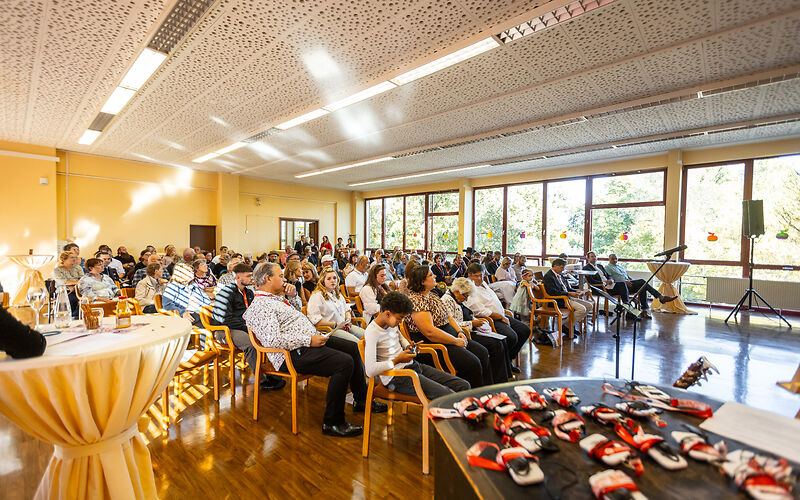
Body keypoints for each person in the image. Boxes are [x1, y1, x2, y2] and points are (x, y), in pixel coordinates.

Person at [244, 262, 387, 438]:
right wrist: (308, 340)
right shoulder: (260, 306)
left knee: (351, 347)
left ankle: (362, 400)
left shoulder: (275, 298)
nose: (284, 279)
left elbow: (297, 315)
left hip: (306, 343)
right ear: (267, 279)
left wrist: (294, 296)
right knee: (343, 363)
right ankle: (332, 422)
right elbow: (273, 340)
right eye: (280, 276)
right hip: (291, 355)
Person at [365, 292, 470, 399]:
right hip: (396, 377)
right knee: (448, 396)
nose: (400, 322)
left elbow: (401, 338)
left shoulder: (390, 323)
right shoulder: (372, 332)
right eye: (399, 318)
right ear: (387, 314)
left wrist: (409, 346)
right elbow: (370, 370)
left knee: (463, 385)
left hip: (411, 366)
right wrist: (397, 360)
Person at [403, 264, 492, 388]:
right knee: (472, 363)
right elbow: (430, 332)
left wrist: (459, 331)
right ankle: (469, 398)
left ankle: (486, 392)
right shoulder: (417, 300)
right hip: (435, 343)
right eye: (430, 275)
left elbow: (448, 316)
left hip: (449, 335)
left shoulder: (432, 294)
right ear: (422, 281)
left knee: (482, 352)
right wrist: (455, 341)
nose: (434, 276)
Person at [212, 263, 285, 391]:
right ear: (238, 278)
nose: (252, 278)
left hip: (243, 326)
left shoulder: (249, 292)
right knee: (251, 344)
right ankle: (261, 380)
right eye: (249, 276)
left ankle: (275, 374)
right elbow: (224, 319)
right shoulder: (226, 293)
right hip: (225, 329)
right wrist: (248, 326)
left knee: (271, 336)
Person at [442, 278, 511, 382]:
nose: (466, 299)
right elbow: (451, 324)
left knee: (501, 340)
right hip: (464, 333)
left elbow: (468, 314)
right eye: (465, 296)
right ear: (457, 291)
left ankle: (501, 378)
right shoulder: (446, 301)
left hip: (472, 329)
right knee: (494, 344)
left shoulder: (459, 298)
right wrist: (472, 323)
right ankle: (493, 381)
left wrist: (477, 321)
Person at [464, 264, 529, 371]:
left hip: (501, 315)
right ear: (469, 275)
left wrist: (503, 314)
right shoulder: (470, 289)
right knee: (511, 337)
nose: (479, 278)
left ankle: (508, 359)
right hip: (491, 319)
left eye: (481, 275)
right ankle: (505, 364)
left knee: (525, 330)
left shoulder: (483, 283)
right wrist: (500, 316)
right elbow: (480, 311)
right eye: (476, 276)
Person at [604, 253, 677, 318]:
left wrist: (633, 281)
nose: (615, 260)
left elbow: (627, 277)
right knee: (642, 281)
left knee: (642, 286)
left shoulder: (620, 267)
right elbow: (610, 280)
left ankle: (644, 311)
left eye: (616, 258)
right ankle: (661, 297)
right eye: (613, 259)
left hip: (628, 284)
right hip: (619, 286)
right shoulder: (608, 267)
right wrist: (624, 281)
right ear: (609, 259)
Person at [307, 268, 366, 342]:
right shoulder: (317, 296)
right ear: (323, 281)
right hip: (330, 330)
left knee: (368, 336)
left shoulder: (337, 293)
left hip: (344, 326)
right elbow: (315, 320)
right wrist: (335, 324)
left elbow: (346, 309)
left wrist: (348, 319)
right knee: (358, 343)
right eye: (329, 279)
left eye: (334, 278)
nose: (332, 280)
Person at [543, 258, 593, 334]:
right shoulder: (548, 276)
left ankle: (569, 325)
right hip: (558, 300)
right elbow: (552, 292)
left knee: (589, 306)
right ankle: (566, 326)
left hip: (566, 298)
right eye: (562, 267)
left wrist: (576, 291)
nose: (563, 269)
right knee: (581, 309)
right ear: (555, 266)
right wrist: (569, 294)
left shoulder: (560, 275)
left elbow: (567, 288)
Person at [53, 250, 83, 317]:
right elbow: (65, 282)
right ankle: (72, 316)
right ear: (64, 259)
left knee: (87, 297)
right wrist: (76, 283)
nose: (75, 259)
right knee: (71, 298)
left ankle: (78, 315)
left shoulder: (78, 268)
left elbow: (83, 280)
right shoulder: (57, 270)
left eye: (75, 257)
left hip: (78, 290)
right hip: (64, 291)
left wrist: (74, 284)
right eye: (72, 257)